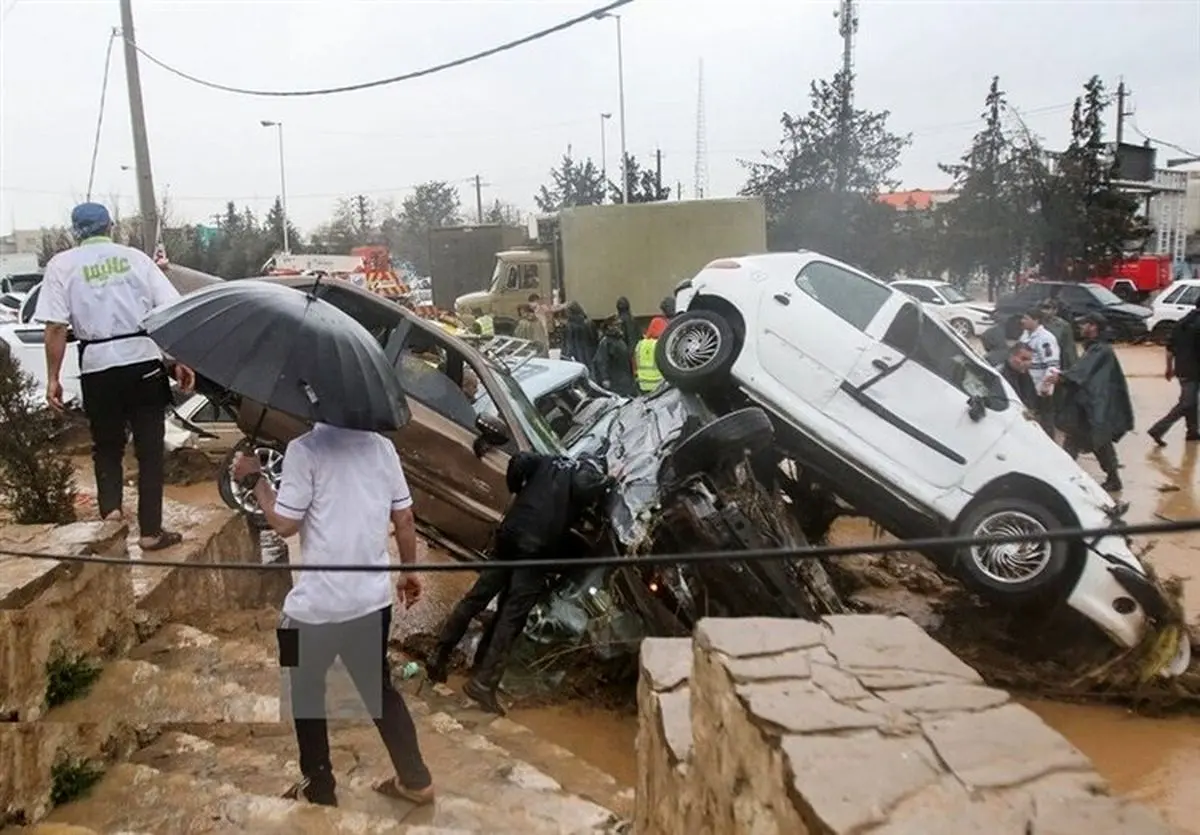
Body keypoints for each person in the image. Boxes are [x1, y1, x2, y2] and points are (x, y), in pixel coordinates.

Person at [231, 424, 434, 808]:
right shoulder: (383, 447)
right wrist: (409, 571)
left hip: (313, 608)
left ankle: (319, 788)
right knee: (379, 690)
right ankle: (417, 780)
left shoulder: (303, 449)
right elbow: (404, 519)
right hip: (372, 602)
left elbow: (285, 524)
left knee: (302, 690)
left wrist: (257, 480)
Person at [34, 202, 196, 551]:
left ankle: (111, 523)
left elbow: (55, 328)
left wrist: (53, 378)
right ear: (110, 226)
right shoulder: (136, 259)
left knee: (107, 448)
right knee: (150, 450)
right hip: (144, 363)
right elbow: (170, 311)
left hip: (97, 366)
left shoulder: (61, 265)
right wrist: (178, 360)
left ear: (75, 231)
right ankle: (151, 532)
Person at [426, 453, 610, 715]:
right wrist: (609, 481)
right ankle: (483, 683)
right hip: (535, 549)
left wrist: (518, 489)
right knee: (512, 615)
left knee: (477, 597)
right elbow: (585, 486)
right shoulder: (587, 474)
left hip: (509, 534)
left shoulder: (550, 459)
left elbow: (518, 460)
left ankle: (439, 654)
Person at [1058, 313, 1133, 492]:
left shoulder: (1100, 350)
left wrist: (1061, 377)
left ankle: (1111, 478)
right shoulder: (1095, 348)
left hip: (1095, 405)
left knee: (1097, 442)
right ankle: (1063, 477)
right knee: (1077, 441)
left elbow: (1082, 372)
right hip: (1088, 404)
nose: (1081, 328)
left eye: (1084, 324)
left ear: (1093, 327)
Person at [1148, 295, 1200, 446]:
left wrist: (1169, 368)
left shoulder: (1181, 323)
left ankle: (1192, 432)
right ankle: (1158, 430)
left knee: (1190, 401)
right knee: (1187, 402)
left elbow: (1170, 348)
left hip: (1182, 369)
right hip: (1194, 370)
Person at [1018, 307, 1061, 435]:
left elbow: (1052, 365)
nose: (1022, 321)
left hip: (1040, 387)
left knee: (1045, 420)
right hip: (1027, 384)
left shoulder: (1045, 339)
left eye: (1026, 318)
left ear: (1036, 320)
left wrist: (1046, 387)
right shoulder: (1026, 335)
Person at [593, 317, 638, 397]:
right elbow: (602, 361)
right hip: (616, 380)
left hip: (625, 378)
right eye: (616, 325)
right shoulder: (606, 342)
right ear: (609, 327)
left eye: (619, 325)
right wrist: (605, 378)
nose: (619, 327)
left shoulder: (619, 340)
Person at [996, 342, 1039, 411]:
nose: (1028, 363)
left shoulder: (1024, 375)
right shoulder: (1000, 375)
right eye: (1024, 359)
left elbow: (1031, 399)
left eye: (1030, 360)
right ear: (1012, 356)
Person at [634, 317, 667, 394]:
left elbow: (635, 363)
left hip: (643, 384)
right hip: (659, 384)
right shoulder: (661, 344)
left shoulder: (640, 344)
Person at [562, 302, 597, 371]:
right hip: (590, 354)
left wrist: (566, 356)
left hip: (577, 356)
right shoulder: (589, 322)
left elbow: (569, 344)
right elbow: (595, 340)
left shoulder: (570, 325)